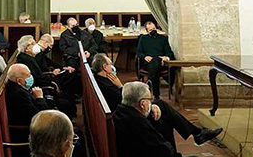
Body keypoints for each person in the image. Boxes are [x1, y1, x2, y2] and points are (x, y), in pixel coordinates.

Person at [92, 54, 220, 147]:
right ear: (105, 67)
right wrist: (120, 86)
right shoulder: (104, 83)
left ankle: (195, 134)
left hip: (129, 111)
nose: (112, 66)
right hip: (129, 117)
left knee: (163, 110)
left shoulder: (105, 80)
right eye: (110, 64)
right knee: (163, 111)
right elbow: (126, 99)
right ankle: (195, 134)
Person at [113, 82, 207, 157]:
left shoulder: (120, 112)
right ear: (142, 104)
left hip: (133, 156)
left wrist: (153, 107)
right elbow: (167, 156)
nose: (151, 103)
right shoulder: (140, 125)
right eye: (149, 100)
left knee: (163, 121)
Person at [16, 35, 76, 118]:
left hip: (43, 85)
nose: (36, 45)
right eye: (33, 43)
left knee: (67, 98)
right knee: (67, 103)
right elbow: (36, 79)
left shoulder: (29, 57)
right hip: (39, 90)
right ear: (27, 48)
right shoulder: (26, 59)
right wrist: (51, 78)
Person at [136, 21, 174, 99]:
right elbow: (139, 52)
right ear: (147, 31)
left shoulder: (163, 39)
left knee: (156, 62)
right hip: (148, 62)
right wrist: (145, 57)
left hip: (160, 61)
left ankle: (150, 85)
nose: (153, 31)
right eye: (150, 30)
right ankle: (156, 95)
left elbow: (169, 52)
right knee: (155, 67)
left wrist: (166, 57)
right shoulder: (143, 38)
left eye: (154, 28)